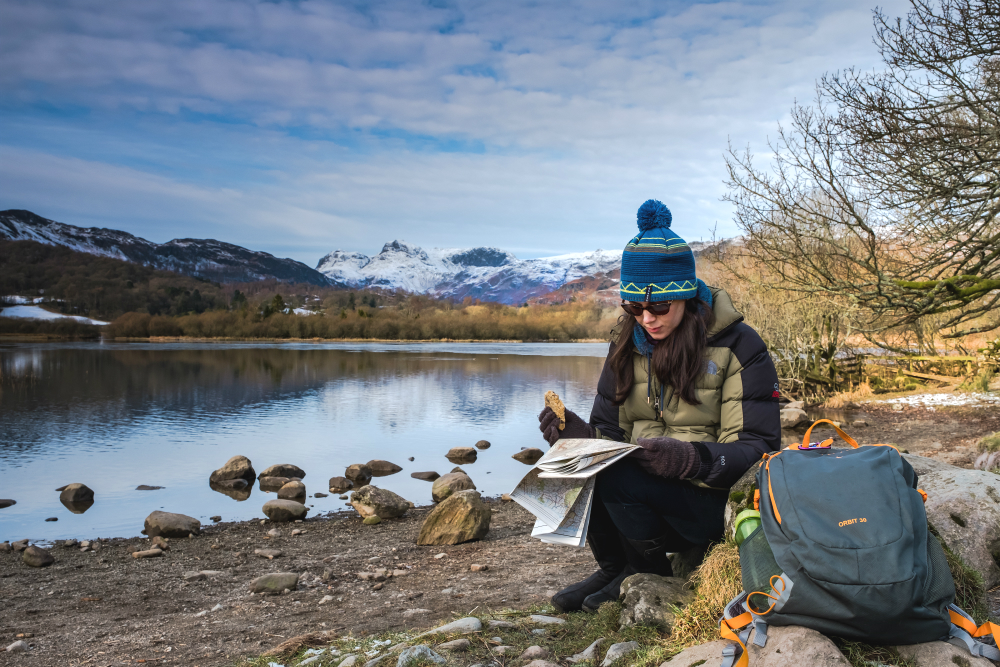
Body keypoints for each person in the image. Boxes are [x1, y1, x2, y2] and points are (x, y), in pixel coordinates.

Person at [538, 199, 781, 612]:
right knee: (581, 467)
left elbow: (759, 450)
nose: (647, 319)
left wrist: (692, 460)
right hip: (643, 503)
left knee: (615, 478)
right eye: (634, 308)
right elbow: (609, 436)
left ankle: (653, 577)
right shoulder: (624, 346)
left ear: (686, 297)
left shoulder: (741, 347)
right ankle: (617, 567)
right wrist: (577, 437)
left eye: (659, 307)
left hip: (713, 504)